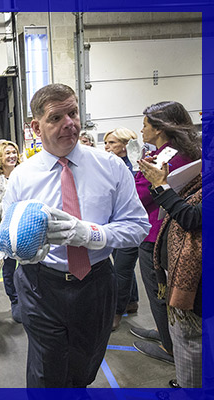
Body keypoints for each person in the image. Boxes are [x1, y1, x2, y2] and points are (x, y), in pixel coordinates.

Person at [2, 83, 150, 388]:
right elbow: (8, 238)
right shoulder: (21, 177)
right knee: (47, 370)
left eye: (73, 113)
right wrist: (9, 237)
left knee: (84, 368)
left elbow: (138, 227)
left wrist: (91, 234)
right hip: (41, 284)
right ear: (36, 126)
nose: (69, 123)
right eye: (57, 117)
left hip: (95, 284)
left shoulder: (110, 167)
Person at [130, 101, 200, 365]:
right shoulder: (186, 150)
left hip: (156, 235)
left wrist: (138, 178)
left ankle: (169, 347)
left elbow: (142, 196)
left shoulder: (165, 157)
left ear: (159, 128)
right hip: (172, 233)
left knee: (160, 292)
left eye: (146, 124)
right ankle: (164, 332)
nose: (142, 129)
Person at [138, 158, 202, 389]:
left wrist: (162, 185)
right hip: (186, 276)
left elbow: (191, 218)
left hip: (197, 285)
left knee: (192, 343)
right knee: (187, 341)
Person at [103, 127, 141, 331]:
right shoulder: (114, 166)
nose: (107, 147)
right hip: (115, 225)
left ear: (126, 146)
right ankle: (132, 301)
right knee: (122, 265)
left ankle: (116, 313)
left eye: (112, 143)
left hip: (130, 227)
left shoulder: (135, 168)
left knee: (121, 271)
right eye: (106, 143)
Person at [0, 140, 22, 322]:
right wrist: (10, 208)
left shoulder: (24, 174)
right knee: (8, 270)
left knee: (28, 266)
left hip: (25, 229)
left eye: (14, 152)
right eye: (7, 153)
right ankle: (15, 301)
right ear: (0, 157)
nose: (12, 156)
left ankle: (28, 301)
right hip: (5, 232)